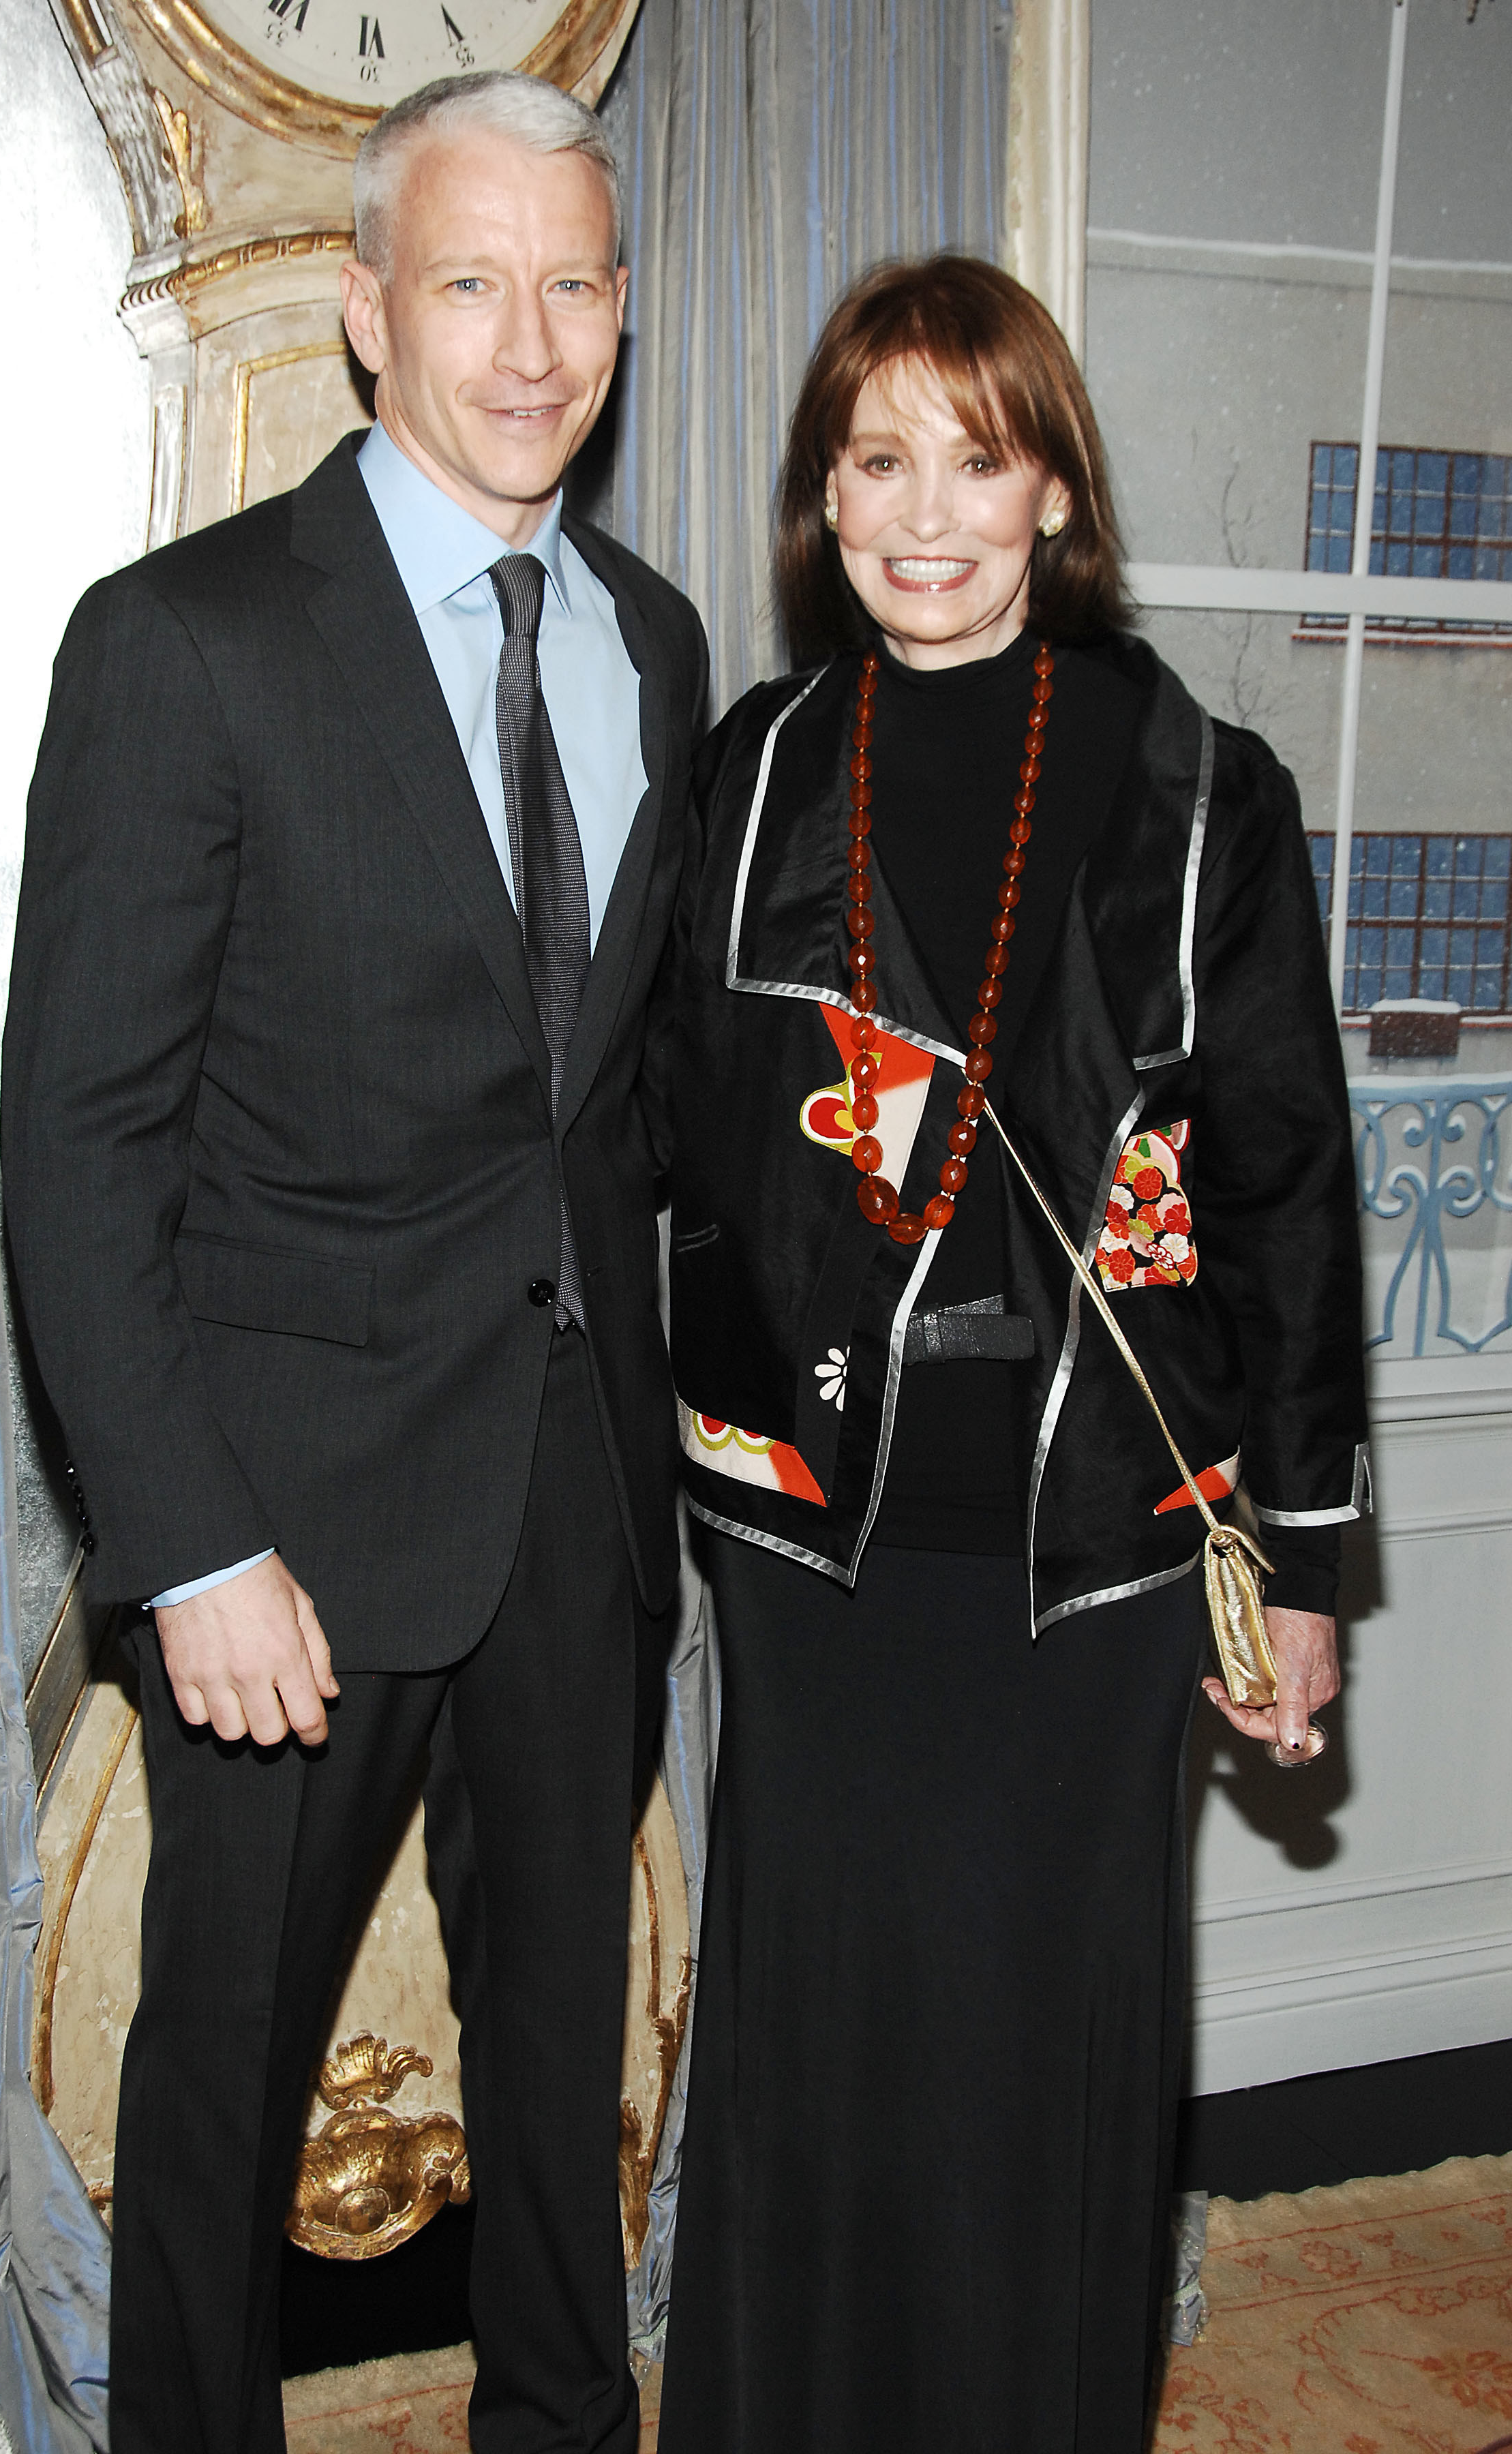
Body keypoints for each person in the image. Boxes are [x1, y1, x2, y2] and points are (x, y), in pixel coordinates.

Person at [1, 71, 706, 2454]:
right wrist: (184, 1539)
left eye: (579, 282)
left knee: (562, 2053)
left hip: (581, 1492)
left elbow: (615, 1100)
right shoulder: (182, 642)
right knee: (217, 2083)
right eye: (476, 281)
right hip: (282, 1525)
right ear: (363, 310)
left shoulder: (658, 643)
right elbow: (80, 1151)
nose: (535, 343)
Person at [657, 256, 1367, 2453]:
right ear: (823, 494)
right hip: (817, 1558)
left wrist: (1312, 1561)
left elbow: (1286, 1187)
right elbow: (661, 1145)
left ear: (1053, 484)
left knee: (1044, 2066)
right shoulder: (757, 775)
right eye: (879, 460)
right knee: (821, 2055)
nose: (927, 513)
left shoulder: (1196, 785)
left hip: (1098, 1564)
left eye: (979, 456)